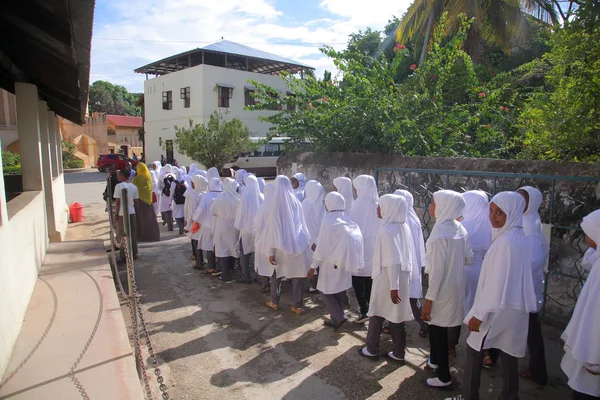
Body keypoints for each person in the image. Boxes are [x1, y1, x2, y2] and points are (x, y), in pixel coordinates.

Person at [446, 192, 537, 400]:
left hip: (496, 309)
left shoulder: (504, 242)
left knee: (473, 349)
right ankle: (509, 396)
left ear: (512, 214)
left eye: (499, 213)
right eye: (491, 211)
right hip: (514, 308)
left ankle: (469, 396)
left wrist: (479, 313)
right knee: (508, 354)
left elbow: (496, 282)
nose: (493, 217)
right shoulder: (519, 237)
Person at [422, 190, 473, 390]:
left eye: (433, 202)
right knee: (438, 328)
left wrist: (429, 300)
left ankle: (444, 377)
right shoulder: (459, 229)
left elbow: (436, 273)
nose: (430, 207)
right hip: (455, 287)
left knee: (438, 331)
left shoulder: (440, 234)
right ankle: (434, 360)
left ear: (444, 206)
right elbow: (469, 258)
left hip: (441, 290)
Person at [359, 194, 416, 363]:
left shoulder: (386, 230)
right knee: (396, 316)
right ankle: (399, 353)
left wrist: (393, 287)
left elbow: (393, 260)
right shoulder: (403, 227)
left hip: (388, 280)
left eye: (380, 206)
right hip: (401, 278)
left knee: (377, 313)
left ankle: (371, 349)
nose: (377, 209)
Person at [560, 209, 600, 400]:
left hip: (593, 354)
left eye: (589, 233)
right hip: (589, 349)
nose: (585, 237)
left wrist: (594, 359)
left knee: (586, 392)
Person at [310, 192, 364, 330]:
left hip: (329, 263)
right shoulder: (346, 218)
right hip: (343, 262)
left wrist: (312, 266)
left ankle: (339, 317)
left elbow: (322, 245)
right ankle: (335, 317)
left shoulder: (328, 220)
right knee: (338, 288)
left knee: (326, 291)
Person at [260, 175, 312, 315]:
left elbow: (273, 229)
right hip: (297, 243)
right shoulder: (296, 201)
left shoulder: (274, 204)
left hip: (279, 245)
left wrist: (270, 251)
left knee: (276, 275)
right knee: (297, 276)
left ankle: (274, 302)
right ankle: (298, 306)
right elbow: (302, 223)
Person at [517, 186, 549, 386]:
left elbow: (534, 259)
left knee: (531, 327)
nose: (520, 204)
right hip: (525, 284)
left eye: (524, 201)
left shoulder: (528, 225)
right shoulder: (529, 220)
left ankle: (538, 370)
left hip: (524, 284)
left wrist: (516, 273)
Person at [394, 189, 429, 337]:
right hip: (412, 262)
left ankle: (419, 323)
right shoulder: (413, 217)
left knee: (405, 297)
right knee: (410, 296)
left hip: (406, 263)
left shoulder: (403, 219)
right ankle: (420, 323)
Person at [349, 175, 379, 324]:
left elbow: (351, 227)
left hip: (360, 247)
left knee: (357, 279)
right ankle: (372, 309)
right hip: (375, 248)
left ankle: (364, 310)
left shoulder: (357, 205)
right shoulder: (378, 203)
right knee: (370, 280)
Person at [234, 174, 263, 283]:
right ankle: (260, 277)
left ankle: (245, 276)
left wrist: (239, 226)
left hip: (246, 230)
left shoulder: (244, 197)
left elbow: (240, 214)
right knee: (258, 254)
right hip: (258, 231)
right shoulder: (261, 196)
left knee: (245, 254)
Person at [211, 178, 241, 282]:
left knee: (222, 249)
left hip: (221, 225)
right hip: (234, 226)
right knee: (235, 248)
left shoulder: (218, 199)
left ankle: (225, 275)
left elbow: (212, 212)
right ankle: (240, 273)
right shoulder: (238, 199)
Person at [195, 177, 223, 275]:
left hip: (208, 225)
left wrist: (196, 220)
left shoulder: (207, 196)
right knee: (220, 245)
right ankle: (220, 267)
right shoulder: (223, 194)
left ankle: (211, 267)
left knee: (209, 245)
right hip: (220, 224)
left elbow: (201, 209)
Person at [303, 180, 326, 292]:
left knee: (310, 260)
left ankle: (312, 284)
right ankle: (319, 284)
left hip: (309, 236)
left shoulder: (305, 204)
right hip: (319, 236)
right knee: (319, 259)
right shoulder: (322, 204)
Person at [254, 183, 276, 292]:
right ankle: (275, 286)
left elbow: (257, 225)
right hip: (275, 239)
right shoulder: (278, 206)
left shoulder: (263, 207)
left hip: (263, 238)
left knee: (263, 261)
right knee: (274, 263)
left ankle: (265, 284)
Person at [114, 169, 139, 259]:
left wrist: (116, 214)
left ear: (124, 176)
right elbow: (136, 201)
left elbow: (118, 202)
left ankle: (124, 255)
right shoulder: (134, 187)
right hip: (132, 212)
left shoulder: (119, 186)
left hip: (122, 213)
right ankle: (134, 253)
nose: (118, 176)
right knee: (132, 233)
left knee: (122, 234)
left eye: (120, 174)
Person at [131, 163, 160, 242]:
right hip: (149, 201)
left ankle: (143, 237)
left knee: (141, 220)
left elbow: (133, 190)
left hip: (140, 201)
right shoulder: (148, 178)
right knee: (150, 219)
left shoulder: (136, 179)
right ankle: (153, 236)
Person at [189, 175, 208, 270]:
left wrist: (189, 222)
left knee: (197, 242)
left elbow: (192, 211)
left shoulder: (195, 195)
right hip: (206, 222)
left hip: (197, 221)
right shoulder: (206, 193)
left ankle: (199, 262)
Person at [159, 165, 176, 231]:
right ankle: (171, 222)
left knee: (167, 210)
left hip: (165, 195)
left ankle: (169, 224)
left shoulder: (162, 176)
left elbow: (159, 186)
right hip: (172, 194)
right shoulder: (174, 175)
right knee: (171, 209)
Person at [172, 169, 188, 234]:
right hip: (184, 201)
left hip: (176, 202)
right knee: (183, 214)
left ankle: (180, 227)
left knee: (177, 215)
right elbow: (187, 192)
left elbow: (171, 192)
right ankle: (184, 227)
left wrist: (170, 201)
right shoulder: (184, 182)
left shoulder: (173, 183)